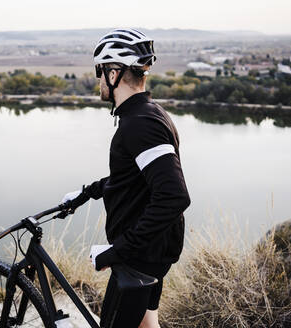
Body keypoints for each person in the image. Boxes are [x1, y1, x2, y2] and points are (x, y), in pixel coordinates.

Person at [61, 28, 190, 328]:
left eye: (100, 71)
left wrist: (115, 252)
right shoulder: (144, 114)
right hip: (151, 251)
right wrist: (85, 194)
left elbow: (174, 196)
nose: (98, 80)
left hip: (139, 258)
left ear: (115, 73)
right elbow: (132, 182)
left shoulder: (140, 124)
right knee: (147, 325)